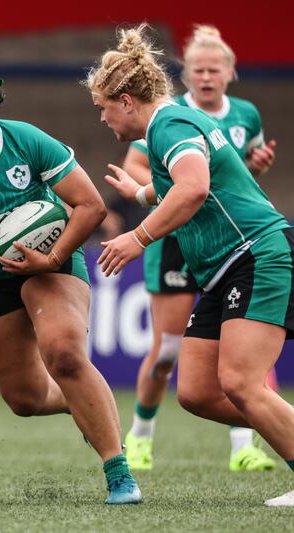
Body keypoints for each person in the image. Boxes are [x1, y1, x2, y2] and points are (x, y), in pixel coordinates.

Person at [0, 66, 141, 504]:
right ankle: (88, 401)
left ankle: (119, 474)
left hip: (52, 263)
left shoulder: (28, 141)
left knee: (65, 355)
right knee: (25, 399)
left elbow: (90, 207)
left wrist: (53, 258)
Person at [89, 24, 294, 507]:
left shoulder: (170, 123)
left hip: (255, 252)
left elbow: (195, 187)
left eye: (101, 107)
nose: (101, 118)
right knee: (198, 393)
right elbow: (190, 184)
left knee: (242, 383)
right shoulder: (172, 123)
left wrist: (138, 236)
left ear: (124, 100)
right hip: (224, 269)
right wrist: (140, 193)